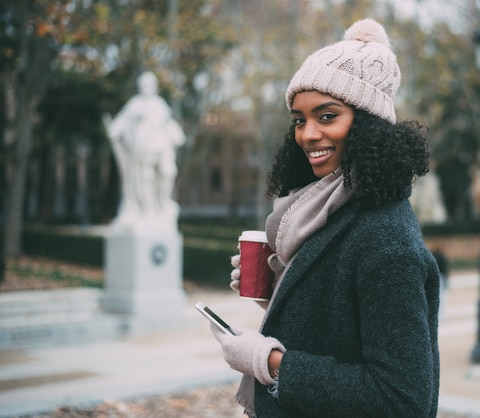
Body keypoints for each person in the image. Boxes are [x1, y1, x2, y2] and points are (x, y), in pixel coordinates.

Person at [210, 18, 440, 417]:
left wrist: (269, 363)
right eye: (300, 120)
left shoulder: (387, 239)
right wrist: (279, 294)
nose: (308, 134)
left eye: (327, 116)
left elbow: (403, 399)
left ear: (367, 124)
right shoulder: (329, 211)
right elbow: (341, 332)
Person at [104, 71, 186, 228]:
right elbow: (123, 120)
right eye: (143, 85)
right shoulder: (135, 104)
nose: (146, 88)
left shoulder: (159, 104)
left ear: (154, 86)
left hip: (162, 146)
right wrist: (114, 129)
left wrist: (177, 134)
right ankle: (148, 210)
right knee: (145, 177)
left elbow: (168, 122)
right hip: (144, 148)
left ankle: (163, 203)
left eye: (149, 84)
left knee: (168, 172)